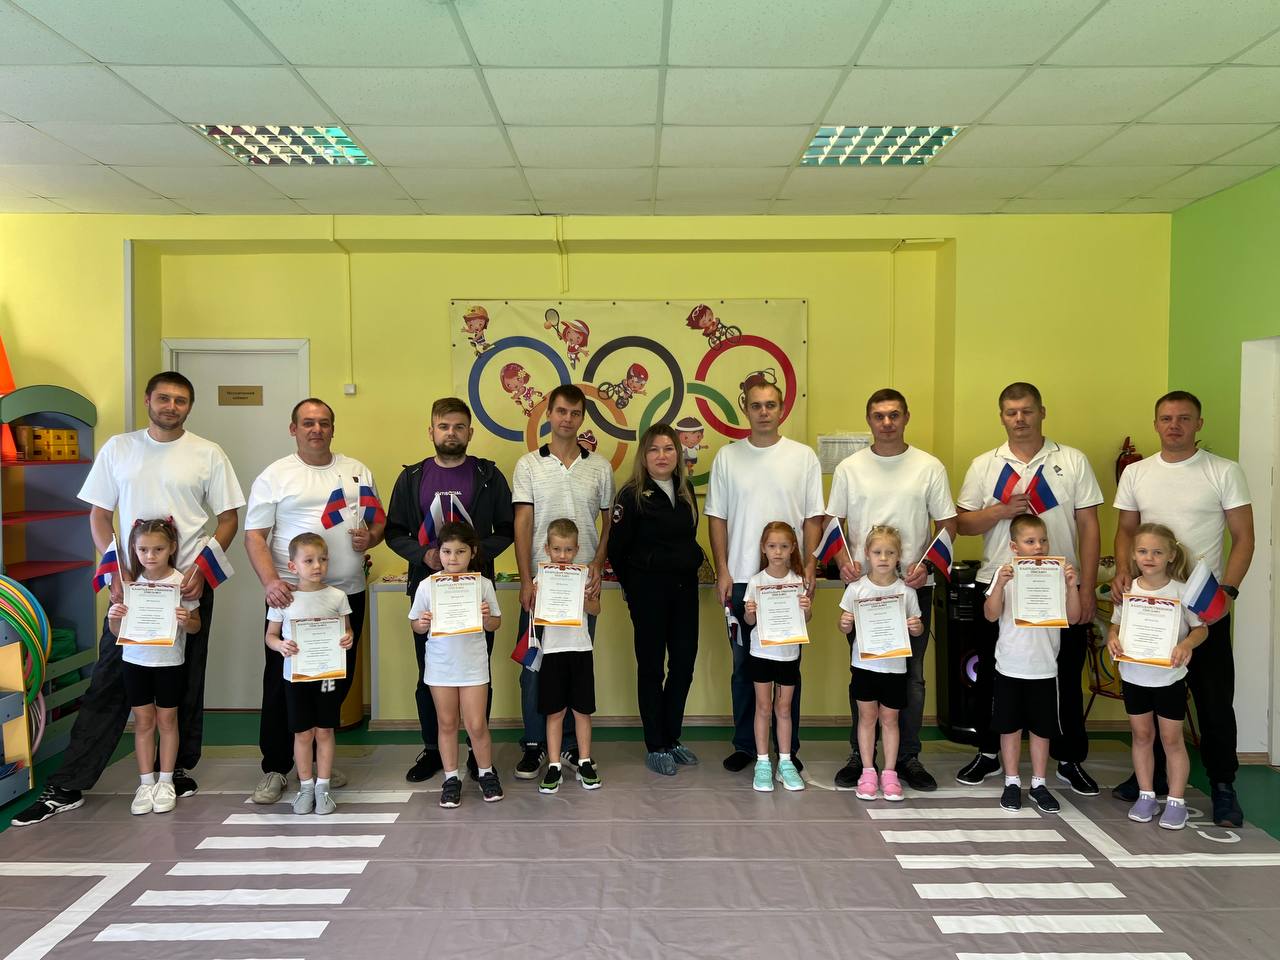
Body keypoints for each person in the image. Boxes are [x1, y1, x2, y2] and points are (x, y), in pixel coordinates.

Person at [14, 371, 244, 827]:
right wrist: (115, 572)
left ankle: (175, 771)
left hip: (185, 587)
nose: (171, 406)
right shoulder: (119, 448)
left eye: (181, 400)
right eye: (164, 398)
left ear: (189, 406)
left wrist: (202, 572)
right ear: (147, 400)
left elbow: (228, 520)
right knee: (110, 680)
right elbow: (100, 516)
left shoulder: (207, 454)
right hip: (132, 590)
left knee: (185, 680)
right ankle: (69, 785)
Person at [1113, 390, 1254, 827]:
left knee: (1214, 702)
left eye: (1184, 418)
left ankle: (1223, 785)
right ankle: (1150, 780)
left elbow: (1244, 537)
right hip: (1150, 606)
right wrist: (1123, 572)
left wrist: (1227, 592)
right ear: (1156, 423)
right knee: (1153, 696)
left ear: (1199, 424)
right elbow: (1125, 530)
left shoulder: (1223, 471)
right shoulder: (1136, 472)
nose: (1174, 425)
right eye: (1166, 418)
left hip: (1201, 607)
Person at [955, 382, 1102, 796]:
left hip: (1060, 587)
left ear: (1042, 412)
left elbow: (1089, 526)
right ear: (1001, 416)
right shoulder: (985, 464)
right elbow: (962, 524)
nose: (1019, 419)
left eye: (1027, 410)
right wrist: (1001, 511)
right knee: (993, 675)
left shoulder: (1071, 460)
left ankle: (1068, 758)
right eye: (1011, 412)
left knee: (1063, 675)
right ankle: (989, 752)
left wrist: (1087, 588)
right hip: (1000, 585)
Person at [245, 398, 385, 804]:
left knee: (333, 682)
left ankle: (316, 765)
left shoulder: (357, 471)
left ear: (333, 428)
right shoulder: (276, 475)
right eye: (307, 423)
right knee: (282, 683)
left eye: (324, 423)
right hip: (292, 598)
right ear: (294, 429)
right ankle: (275, 767)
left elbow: (378, 522)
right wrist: (271, 582)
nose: (316, 429)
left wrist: (371, 537)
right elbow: (255, 536)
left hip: (344, 595)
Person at [825, 388, 955, 792]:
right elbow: (834, 523)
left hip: (911, 590)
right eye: (879, 415)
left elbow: (947, 524)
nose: (886, 422)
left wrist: (927, 566)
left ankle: (907, 758)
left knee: (911, 678)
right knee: (863, 673)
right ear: (869, 420)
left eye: (894, 415)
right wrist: (842, 561)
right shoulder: (849, 468)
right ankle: (860, 757)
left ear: (906, 417)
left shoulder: (929, 466)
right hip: (865, 593)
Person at [384, 397, 513, 784]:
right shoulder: (412, 478)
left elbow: (507, 529)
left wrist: (474, 555)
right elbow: (394, 531)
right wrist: (424, 555)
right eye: (444, 426)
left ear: (470, 432)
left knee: (477, 674)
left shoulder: (488, 475)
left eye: (459, 427)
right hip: (429, 590)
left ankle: (476, 752)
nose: (451, 433)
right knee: (429, 673)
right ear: (431, 431)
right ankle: (432, 749)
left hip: (475, 593)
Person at [705, 380, 823, 774]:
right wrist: (723, 570)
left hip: (788, 583)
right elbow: (717, 517)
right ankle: (746, 746)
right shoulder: (728, 457)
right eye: (756, 405)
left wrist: (809, 567)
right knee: (744, 667)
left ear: (782, 408)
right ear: (746, 408)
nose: (764, 412)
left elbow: (813, 518)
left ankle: (787, 749)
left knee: (788, 667)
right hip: (743, 580)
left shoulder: (803, 457)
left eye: (771, 404)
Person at [511, 385, 614, 780]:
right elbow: (523, 522)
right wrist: (525, 580)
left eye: (574, 412)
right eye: (561, 411)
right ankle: (535, 744)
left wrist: (598, 563)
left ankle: (570, 746)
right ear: (549, 414)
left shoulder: (599, 467)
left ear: (582, 417)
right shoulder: (528, 465)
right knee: (535, 664)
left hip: (581, 586)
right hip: (542, 585)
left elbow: (608, 521)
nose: (567, 419)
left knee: (575, 664)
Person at [607, 423, 704, 776]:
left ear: (678, 453)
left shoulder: (685, 489)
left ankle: (671, 737)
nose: (662, 456)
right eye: (654, 449)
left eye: (668, 448)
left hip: (684, 591)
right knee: (651, 668)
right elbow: (617, 550)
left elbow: (688, 537)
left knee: (683, 664)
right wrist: (634, 590)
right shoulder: (631, 495)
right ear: (643, 456)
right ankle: (655, 744)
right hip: (648, 593)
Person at [1107, 523, 1206, 831]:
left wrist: (1186, 645)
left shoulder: (1182, 591)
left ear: (1171, 556)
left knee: (1171, 740)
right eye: (1142, 551)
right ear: (1133, 555)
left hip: (1169, 679)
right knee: (1141, 737)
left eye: (1157, 552)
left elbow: (1201, 629)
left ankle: (1176, 802)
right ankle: (1146, 795)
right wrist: (1112, 638)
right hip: (1134, 676)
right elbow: (1116, 625)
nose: (1149, 558)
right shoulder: (1128, 590)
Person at [983, 514, 1081, 813]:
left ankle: (1039, 784)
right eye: (1030, 541)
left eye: (1043, 540)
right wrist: (1000, 584)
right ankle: (1012, 782)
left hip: (1044, 668)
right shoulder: (1004, 574)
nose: (1038, 547)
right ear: (1014, 546)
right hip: (1010, 666)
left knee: (1042, 729)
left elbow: (1073, 617)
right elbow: (990, 614)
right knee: (1009, 728)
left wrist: (1072, 586)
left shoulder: (1058, 574)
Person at [407, 522, 504, 808]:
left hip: (473, 666)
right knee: (447, 724)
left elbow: (495, 623)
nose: (453, 558)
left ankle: (486, 773)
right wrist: (422, 622)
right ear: (439, 552)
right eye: (447, 551)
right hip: (441, 666)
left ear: (472, 552)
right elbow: (416, 625)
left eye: (460, 551)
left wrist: (486, 618)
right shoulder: (427, 585)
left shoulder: (483, 584)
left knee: (476, 724)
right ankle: (451, 778)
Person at [108, 519, 200, 816]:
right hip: (135, 662)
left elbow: (196, 626)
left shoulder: (181, 582)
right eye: (143, 549)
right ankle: (146, 783)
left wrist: (187, 620)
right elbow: (116, 632)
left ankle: (166, 781)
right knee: (143, 722)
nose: (150, 556)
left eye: (158, 549)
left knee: (167, 721)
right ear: (134, 550)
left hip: (169, 663)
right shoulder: (129, 584)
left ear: (172, 547)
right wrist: (113, 616)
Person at [265, 534, 354, 816]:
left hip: (327, 675)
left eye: (322, 559)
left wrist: (348, 638)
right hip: (297, 677)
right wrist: (280, 645)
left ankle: (323, 788)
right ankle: (305, 786)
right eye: (309, 560)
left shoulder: (338, 596)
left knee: (325, 729)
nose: (317, 566)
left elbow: (346, 630)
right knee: (302, 732)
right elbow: (270, 636)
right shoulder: (284, 600)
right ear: (293, 566)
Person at [837, 525, 924, 803]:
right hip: (864, 667)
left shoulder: (907, 592)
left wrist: (917, 627)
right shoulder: (856, 589)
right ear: (867, 554)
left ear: (899, 556)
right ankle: (867, 771)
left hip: (895, 668)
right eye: (877, 552)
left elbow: (917, 629)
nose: (883, 558)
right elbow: (843, 625)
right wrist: (844, 623)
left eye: (890, 553)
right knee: (866, 718)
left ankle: (889, 773)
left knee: (890, 720)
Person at [536, 519, 604, 794]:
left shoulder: (585, 576)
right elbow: (533, 611)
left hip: (580, 650)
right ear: (547, 549)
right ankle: (554, 764)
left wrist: (584, 599)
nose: (562, 555)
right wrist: (537, 597)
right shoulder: (541, 577)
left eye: (567, 550)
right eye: (557, 549)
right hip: (552, 652)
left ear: (576, 549)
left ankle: (584, 761)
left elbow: (596, 609)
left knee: (582, 711)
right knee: (555, 712)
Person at [743, 522, 811, 793]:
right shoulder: (756, 582)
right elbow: (749, 621)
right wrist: (749, 611)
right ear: (764, 548)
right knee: (763, 707)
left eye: (783, 546)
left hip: (788, 654)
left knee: (783, 709)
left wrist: (806, 608)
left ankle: (785, 762)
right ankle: (762, 762)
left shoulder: (798, 581)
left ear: (792, 548)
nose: (778, 552)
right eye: (772, 546)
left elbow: (806, 619)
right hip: (761, 652)